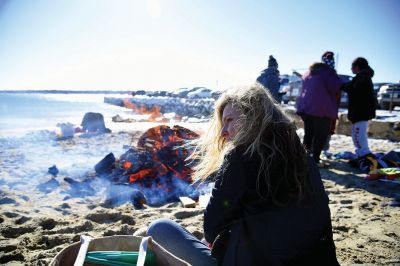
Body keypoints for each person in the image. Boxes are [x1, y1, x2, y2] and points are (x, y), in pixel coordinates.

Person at [147, 84, 339, 266]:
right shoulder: (305, 158)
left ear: (253, 117)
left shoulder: (241, 157)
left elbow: (211, 229)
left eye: (229, 120)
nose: (223, 132)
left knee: (160, 227)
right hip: (317, 259)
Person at [296, 51, 342, 166]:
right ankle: (314, 160)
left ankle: (303, 158)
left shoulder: (309, 72)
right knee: (320, 136)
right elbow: (337, 86)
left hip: (306, 108)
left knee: (309, 134)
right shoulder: (328, 72)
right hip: (321, 109)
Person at [341, 57, 376, 159]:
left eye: (352, 67)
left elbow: (353, 90)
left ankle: (364, 155)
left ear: (357, 67)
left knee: (358, 135)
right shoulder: (363, 76)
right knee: (358, 134)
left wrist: (342, 86)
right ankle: (363, 154)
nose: (351, 69)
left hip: (361, 112)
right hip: (362, 112)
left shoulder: (362, 77)